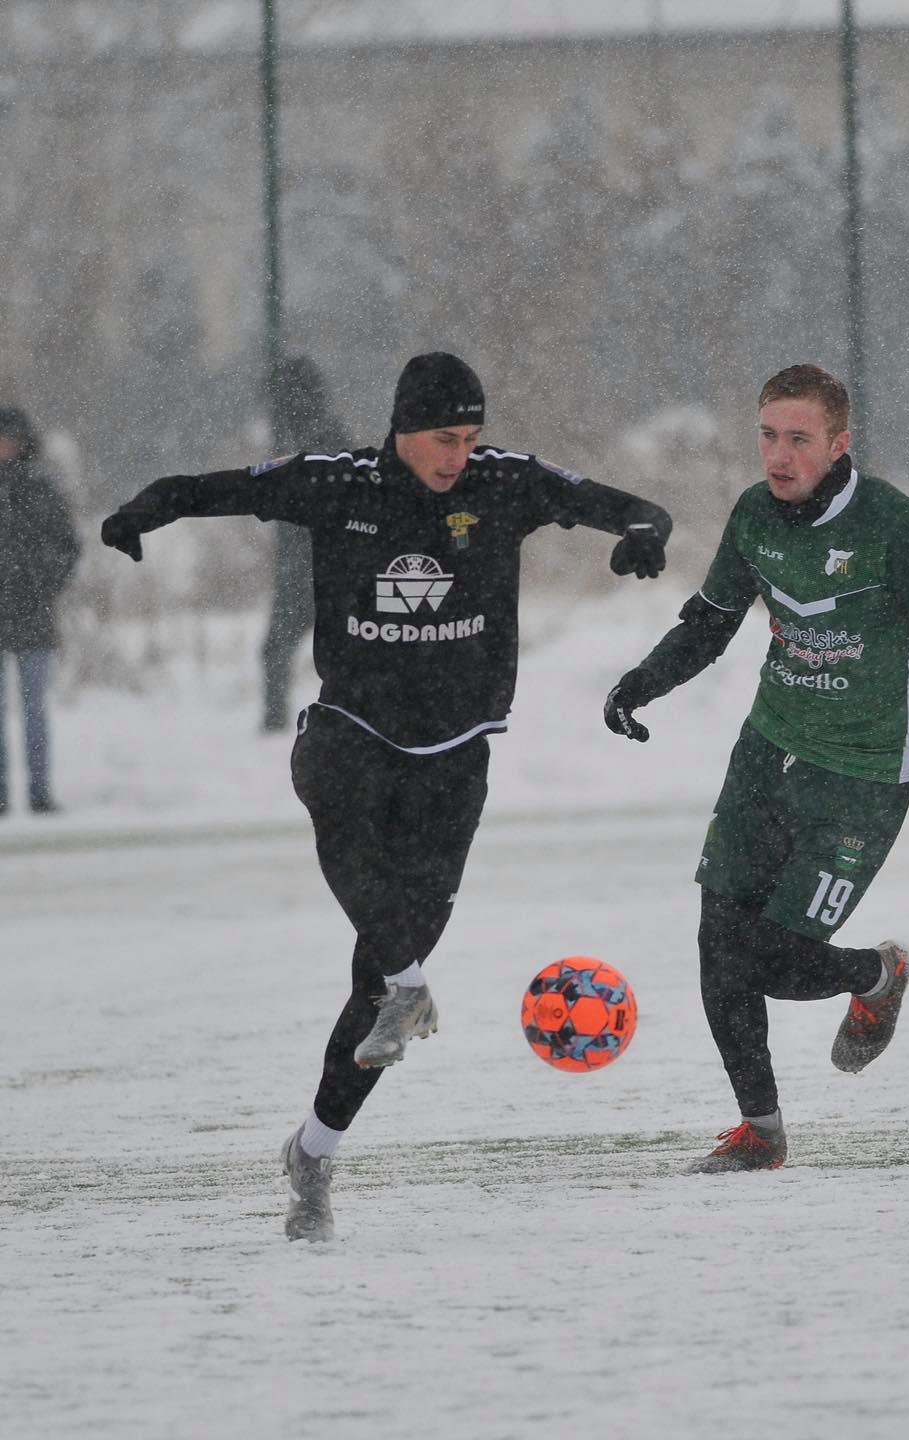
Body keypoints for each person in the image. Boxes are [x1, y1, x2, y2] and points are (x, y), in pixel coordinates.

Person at [101, 352, 672, 1237]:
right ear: (403, 428)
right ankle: (409, 982)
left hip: (456, 754)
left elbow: (631, 507)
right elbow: (214, 486)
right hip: (355, 728)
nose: (458, 455)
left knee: (375, 990)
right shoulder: (340, 483)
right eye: (445, 438)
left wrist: (643, 532)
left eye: (470, 437)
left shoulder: (506, 484)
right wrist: (152, 506)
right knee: (329, 793)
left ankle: (315, 1150)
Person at [604, 364, 909, 1173]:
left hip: (859, 780)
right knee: (719, 949)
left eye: (798, 439)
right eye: (767, 436)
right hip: (765, 754)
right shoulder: (754, 515)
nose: (778, 456)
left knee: (775, 963)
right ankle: (762, 1132)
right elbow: (711, 621)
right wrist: (640, 682)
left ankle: (878, 974)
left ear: (838, 443)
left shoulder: (895, 526)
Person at [0, 406, 82, 816]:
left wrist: (43, 586)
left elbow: (69, 546)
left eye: (10, 437)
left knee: (35, 710)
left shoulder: (42, 491)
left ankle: (39, 792)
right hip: (20, 612)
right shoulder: (41, 490)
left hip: (33, 614)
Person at [260, 356, 348, 732]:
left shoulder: (309, 440)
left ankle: (280, 724)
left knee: (279, 648)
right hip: (317, 564)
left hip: (314, 565)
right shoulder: (318, 436)